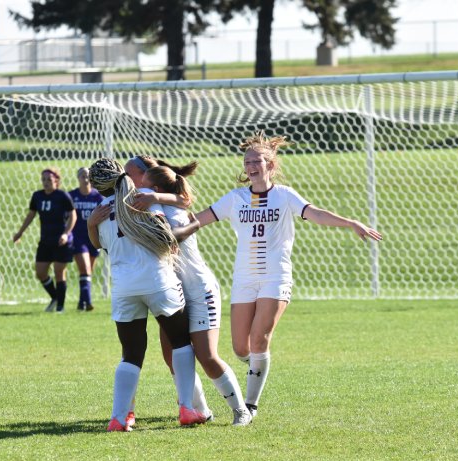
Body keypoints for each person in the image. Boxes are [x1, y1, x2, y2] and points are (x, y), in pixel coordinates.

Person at [194, 131, 383, 419]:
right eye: (247, 161)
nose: (251, 166)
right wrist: (163, 223)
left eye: (257, 160)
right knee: (239, 347)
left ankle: (249, 407)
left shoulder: (284, 195)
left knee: (259, 340)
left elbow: (316, 213)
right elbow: (198, 220)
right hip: (244, 279)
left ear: (270, 165)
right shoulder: (235, 198)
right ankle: (257, 366)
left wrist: (350, 223)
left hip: (275, 277)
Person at [86, 157, 207, 432]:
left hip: (124, 288)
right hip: (158, 280)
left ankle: (118, 418)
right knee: (180, 343)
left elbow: (101, 247)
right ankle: (187, 408)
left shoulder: (99, 212)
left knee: (130, 353)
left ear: (96, 188)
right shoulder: (143, 196)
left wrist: (91, 226)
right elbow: (168, 236)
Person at [142, 163, 253, 426]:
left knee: (206, 355)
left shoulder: (172, 212)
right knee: (172, 356)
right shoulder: (156, 205)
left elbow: (168, 237)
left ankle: (241, 410)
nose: (137, 188)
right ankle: (201, 411)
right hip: (172, 293)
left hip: (200, 291)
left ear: (155, 189)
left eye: (143, 184)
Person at [124, 155, 213, 421]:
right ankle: (192, 405)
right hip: (161, 284)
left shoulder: (151, 199)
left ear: (146, 177)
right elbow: (183, 201)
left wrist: (159, 200)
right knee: (171, 352)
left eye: (130, 174)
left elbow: (183, 206)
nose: (126, 179)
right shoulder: (146, 198)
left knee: (192, 352)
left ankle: (205, 407)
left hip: (184, 286)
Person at [13, 168, 77, 313]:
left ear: (56, 180)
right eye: (43, 179)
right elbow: (31, 215)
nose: (46, 182)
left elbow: (73, 216)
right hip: (45, 241)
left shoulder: (63, 196)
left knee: (59, 272)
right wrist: (20, 232)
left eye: (49, 179)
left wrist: (66, 234)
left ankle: (60, 307)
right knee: (40, 272)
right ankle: (55, 297)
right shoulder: (37, 196)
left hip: (61, 241)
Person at [68, 167, 104, 311]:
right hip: (78, 238)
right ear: (78, 178)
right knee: (85, 268)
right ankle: (87, 302)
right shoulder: (71, 196)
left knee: (88, 271)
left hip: (94, 238)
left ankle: (81, 303)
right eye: (82, 175)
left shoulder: (98, 197)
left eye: (88, 175)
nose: (86, 178)